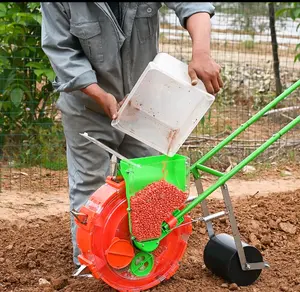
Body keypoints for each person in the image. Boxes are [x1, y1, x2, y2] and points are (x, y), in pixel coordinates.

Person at [40, 2, 223, 272]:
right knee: (91, 188)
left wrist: (202, 52)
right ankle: (93, 268)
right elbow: (60, 48)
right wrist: (99, 94)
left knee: (150, 185)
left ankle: (144, 264)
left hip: (144, 103)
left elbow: (192, 5)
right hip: (87, 106)